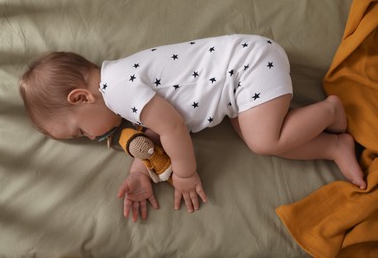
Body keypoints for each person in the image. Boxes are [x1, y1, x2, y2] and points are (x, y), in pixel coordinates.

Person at [19, 34, 366, 222]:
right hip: (235, 89)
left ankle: (330, 111)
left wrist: (185, 174)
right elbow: (150, 136)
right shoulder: (118, 90)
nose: (94, 138)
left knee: (263, 140)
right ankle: (333, 146)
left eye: (81, 131)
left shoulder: (118, 88)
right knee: (251, 135)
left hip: (249, 65)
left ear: (81, 98)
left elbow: (170, 129)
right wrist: (141, 174)